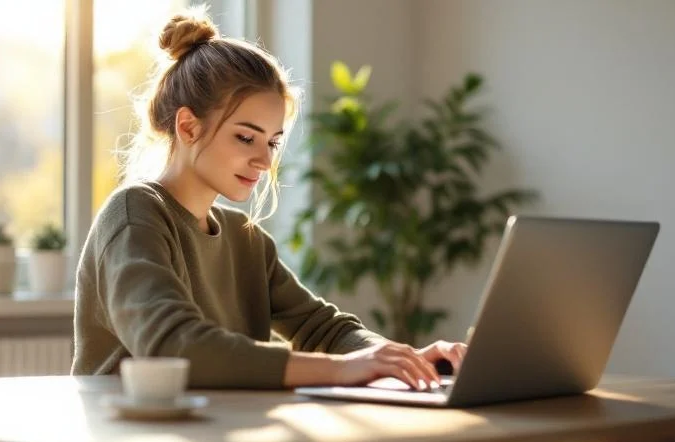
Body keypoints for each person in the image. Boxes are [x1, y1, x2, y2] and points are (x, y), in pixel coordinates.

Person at [71, 5, 467, 390]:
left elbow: (322, 327)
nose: (264, 161)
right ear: (188, 126)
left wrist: (403, 357)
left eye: (273, 142)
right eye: (246, 137)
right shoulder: (134, 214)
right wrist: (342, 369)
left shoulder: (245, 239)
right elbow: (174, 346)